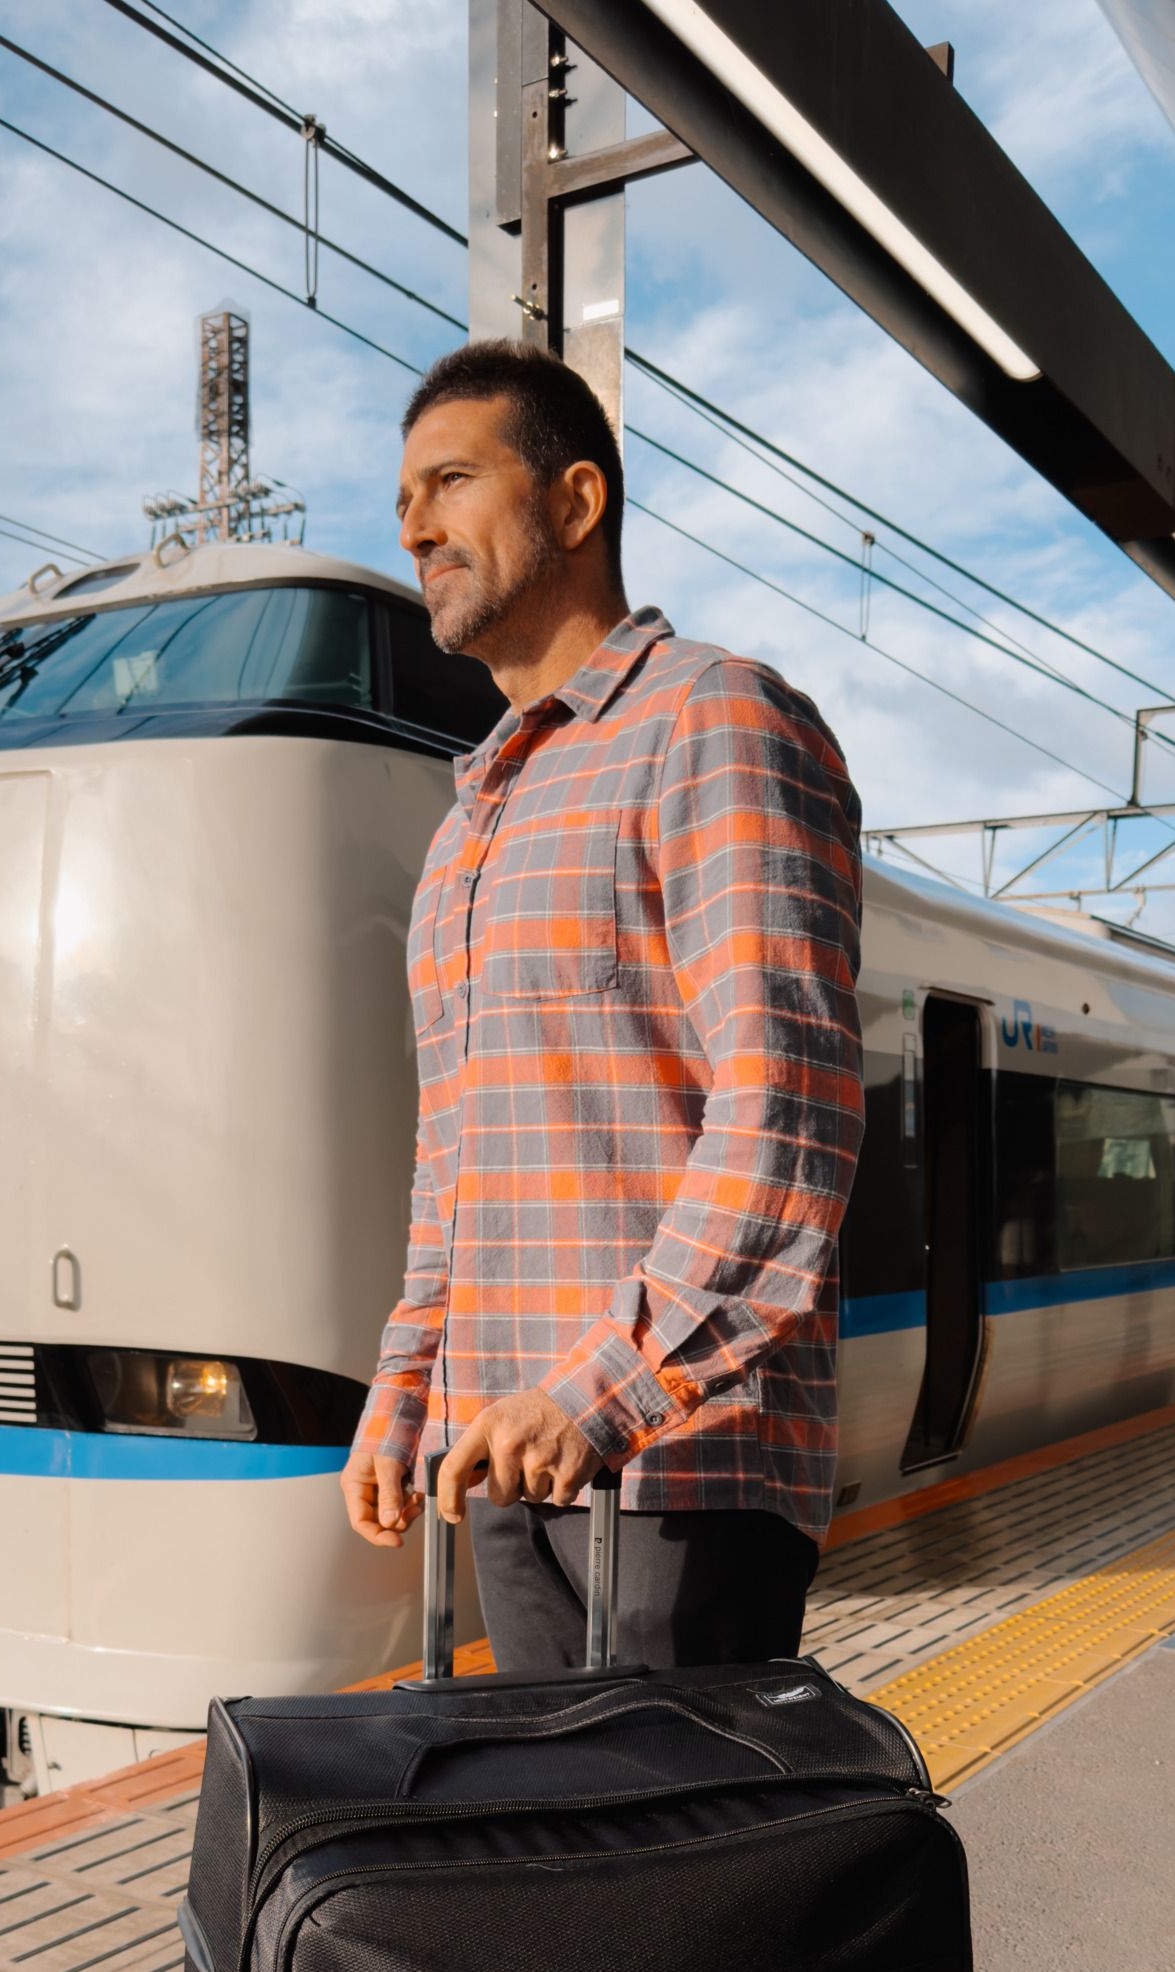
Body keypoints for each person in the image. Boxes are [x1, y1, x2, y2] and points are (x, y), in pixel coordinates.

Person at [338, 340, 865, 1672]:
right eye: (404, 497)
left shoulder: (715, 723)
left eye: (451, 480)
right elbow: (453, 1157)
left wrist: (603, 1392)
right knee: (561, 1866)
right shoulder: (470, 824)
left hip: (685, 1463)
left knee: (681, 1870)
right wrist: (405, 1390)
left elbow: (787, 1114)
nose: (414, 525)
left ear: (575, 505)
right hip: (508, 1459)